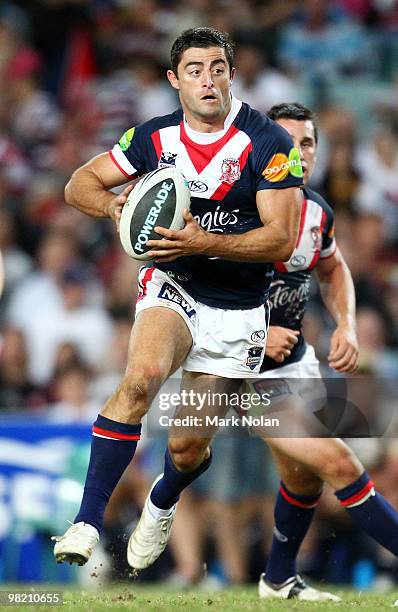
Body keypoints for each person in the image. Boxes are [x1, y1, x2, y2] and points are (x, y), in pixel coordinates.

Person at [52, 27, 303, 566]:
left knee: (188, 449)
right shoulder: (153, 137)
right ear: (174, 80)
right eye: (194, 70)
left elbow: (281, 237)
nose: (207, 80)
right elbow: (79, 184)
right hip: (173, 286)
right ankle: (85, 523)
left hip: (237, 308)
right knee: (140, 380)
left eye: (217, 68)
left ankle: (162, 501)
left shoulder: (269, 144)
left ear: (232, 75)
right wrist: (114, 208)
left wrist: (203, 240)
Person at [136, 102, 398, 601]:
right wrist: (258, 329)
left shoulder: (317, 212)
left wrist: (346, 325)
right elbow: (198, 285)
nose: (297, 153)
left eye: (307, 144)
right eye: (287, 141)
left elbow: (333, 266)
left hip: (290, 362)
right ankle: (165, 506)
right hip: (231, 362)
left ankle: (278, 579)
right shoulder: (234, 209)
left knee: (306, 477)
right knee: (198, 453)